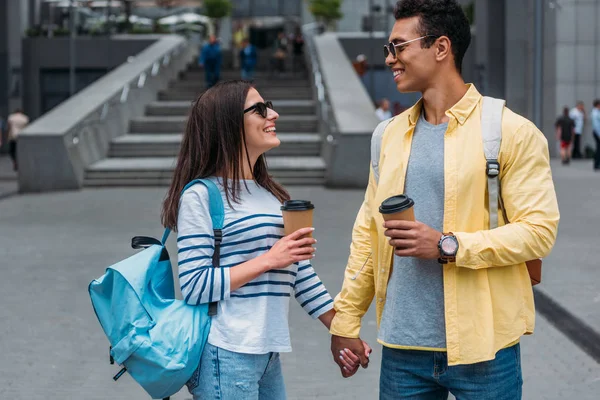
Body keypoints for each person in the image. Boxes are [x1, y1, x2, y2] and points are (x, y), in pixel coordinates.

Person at [328, 1, 560, 399]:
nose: (389, 59)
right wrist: (346, 319)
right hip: (403, 349)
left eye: (399, 47)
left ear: (441, 48)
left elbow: (538, 232)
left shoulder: (509, 131)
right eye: (388, 49)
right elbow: (369, 233)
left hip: (484, 347)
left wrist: (446, 244)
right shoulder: (387, 136)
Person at [161, 81, 368, 399]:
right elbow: (194, 285)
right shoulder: (202, 195)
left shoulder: (270, 195)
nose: (273, 114)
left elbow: (299, 274)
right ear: (228, 123)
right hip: (225, 349)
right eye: (259, 109)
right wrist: (270, 259)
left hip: (267, 352)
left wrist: (342, 329)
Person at [592, 99, 600, 171]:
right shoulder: (595, 113)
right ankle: (596, 164)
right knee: (598, 149)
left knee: (598, 148)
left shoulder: (596, 112)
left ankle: (597, 164)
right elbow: (596, 125)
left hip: (597, 132)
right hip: (597, 133)